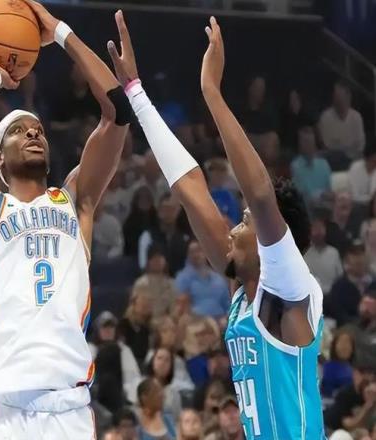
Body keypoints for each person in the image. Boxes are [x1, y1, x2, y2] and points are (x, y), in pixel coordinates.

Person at [106, 12, 324, 438]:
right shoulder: (243, 290)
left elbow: (260, 195)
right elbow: (190, 187)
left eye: (243, 222)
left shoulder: (291, 287)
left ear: (272, 240)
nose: (234, 230)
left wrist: (212, 93)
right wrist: (135, 92)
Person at [0, 2, 132, 437]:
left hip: (70, 407)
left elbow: (119, 111)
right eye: (18, 130)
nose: (33, 132)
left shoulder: (76, 201)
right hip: (8, 408)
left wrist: (60, 31)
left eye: (38, 130)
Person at [88, 310, 141, 404]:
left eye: (111, 326)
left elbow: (133, 378)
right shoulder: (90, 349)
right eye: (105, 326)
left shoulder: (124, 349)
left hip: (121, 396)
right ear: (98, 330)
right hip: (95, 397)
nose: (108, 330)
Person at [175, 240, 229, 319]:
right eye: (192, 252)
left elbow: (227, 305)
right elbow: (181, 306)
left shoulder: (219, 279)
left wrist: (225, 318)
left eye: (199, 250)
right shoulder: (182, 278)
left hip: (220, 320)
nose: (196, 255)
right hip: (195, 320)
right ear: (187, 255)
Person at [137, 192, 189, 275]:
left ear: (179, 211)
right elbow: (143, 266)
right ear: (158, 211)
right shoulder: (147, 236)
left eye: (172, 209)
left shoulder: (186, 238)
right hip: (155, 279)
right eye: (165, 208)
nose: (168, 212)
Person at [319, 81, 365, 163]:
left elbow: (360, 146)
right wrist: (347, 147)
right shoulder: (325, 117)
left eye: (340, 97)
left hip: (353, 159)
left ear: (348, 97)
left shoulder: (356, 117)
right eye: (335, 96)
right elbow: (327, 145)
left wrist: (340, 145)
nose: (337, 100)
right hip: (332, 159)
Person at [323, 361, 376, 432]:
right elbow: (349, 425)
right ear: (355, 374)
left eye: (371, 375)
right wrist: (367, 405)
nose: (367, 376)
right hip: (331, 430)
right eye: (363, 373)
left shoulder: (372, 394)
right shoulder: (345, 394)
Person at [329, 245, 374, 326]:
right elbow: (339, 315)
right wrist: (361, 322)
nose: (360, 267)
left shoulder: (373, 283)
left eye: (362, 264)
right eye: (357, 264)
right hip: (350, 327)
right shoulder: (339, 287)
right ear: (347, 264)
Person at [290, 125, 332, 204]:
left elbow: (329, 190)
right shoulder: (296, 166)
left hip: (326, 205)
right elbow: (301, 194)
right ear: (299, 145)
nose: (308, 144)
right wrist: (321, 195)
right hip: (307, 206)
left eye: (310, 141)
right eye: (305, 142)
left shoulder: (324, 164)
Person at [133, 248, 178, 319]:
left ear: (165, 261)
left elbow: (174, 309)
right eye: (154, 258)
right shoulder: (141, 283)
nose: (157, 261)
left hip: (166, 322)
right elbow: (135, 309)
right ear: (148, 262)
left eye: (160, 258)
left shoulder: (172, 283)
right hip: (145, 322)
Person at [304, 216, 344, 295]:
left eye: (320, 228)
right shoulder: (305, 253)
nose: (318, 232)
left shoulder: (333, 253)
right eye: (315, 228)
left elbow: (340, 276)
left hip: (331, 295)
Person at [118, 285, 153, 367]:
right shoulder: (124, 325)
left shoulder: (149, 328)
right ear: (133, 305)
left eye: (147, 304)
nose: (146, 306)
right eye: (142, 304)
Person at [145, 348, 182, 419]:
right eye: (159, 358)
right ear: (152, 361)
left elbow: (177, 419)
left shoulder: (174, 394)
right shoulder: (141, 385)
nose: (162, 363)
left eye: (167, 360)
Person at [123, 186, 158, 257]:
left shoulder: (157, 218)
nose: (144, 201)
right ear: (136, 201)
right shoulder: (130, 221)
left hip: (155, 254)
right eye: (141, 199)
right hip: (134, 255)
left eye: (147, 199)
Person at [322, 329, 356, 397]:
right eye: (341, 343)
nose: (345, 347)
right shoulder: (327, 368)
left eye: (348, 343)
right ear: (334, 346)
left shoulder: (354, 370)